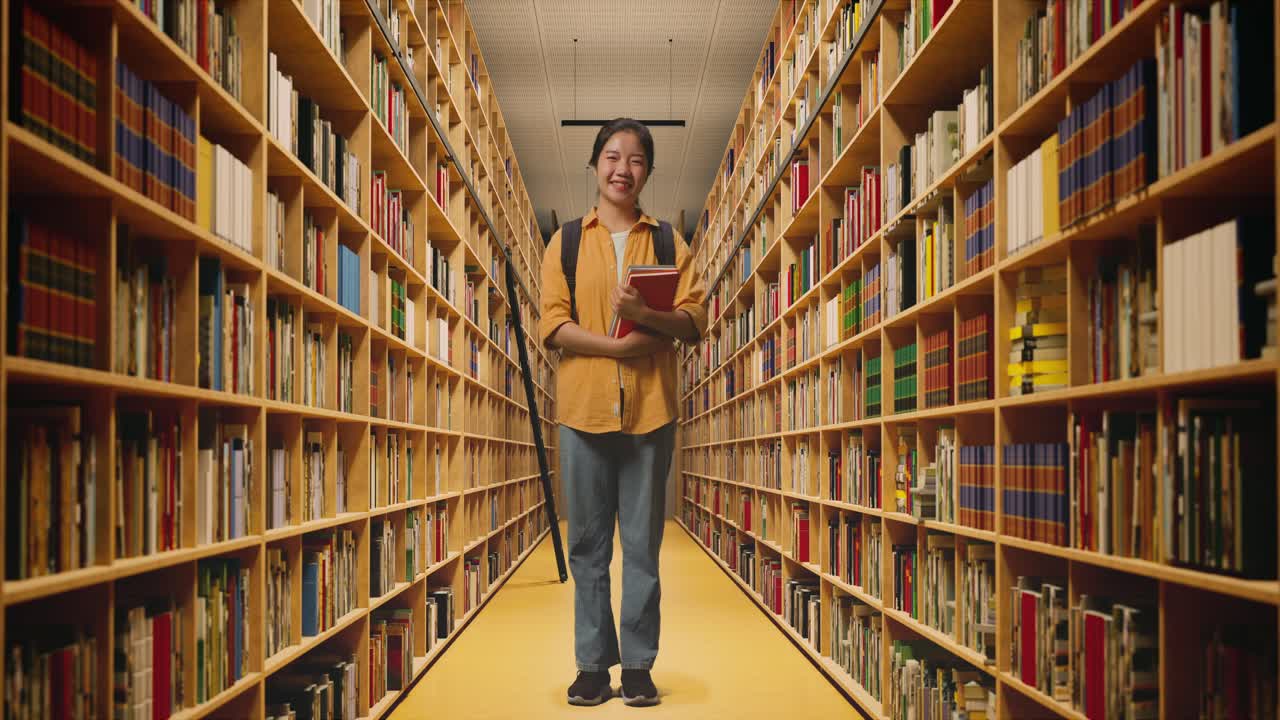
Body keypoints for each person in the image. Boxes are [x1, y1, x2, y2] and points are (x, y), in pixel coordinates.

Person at [538, 118, 707, 707]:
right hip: (582, 413)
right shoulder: (563, 242)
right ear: (595, 165)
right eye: (612, 156)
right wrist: (620, 347)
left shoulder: (668, 244)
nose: (622, 169)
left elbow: (692, 321)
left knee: (642, 547)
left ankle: (636, 666)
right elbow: (553, 327)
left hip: (649, 413)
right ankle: (591, 666)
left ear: (647, 173)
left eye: (635, 160)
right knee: (586, 546)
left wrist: (645, 315)